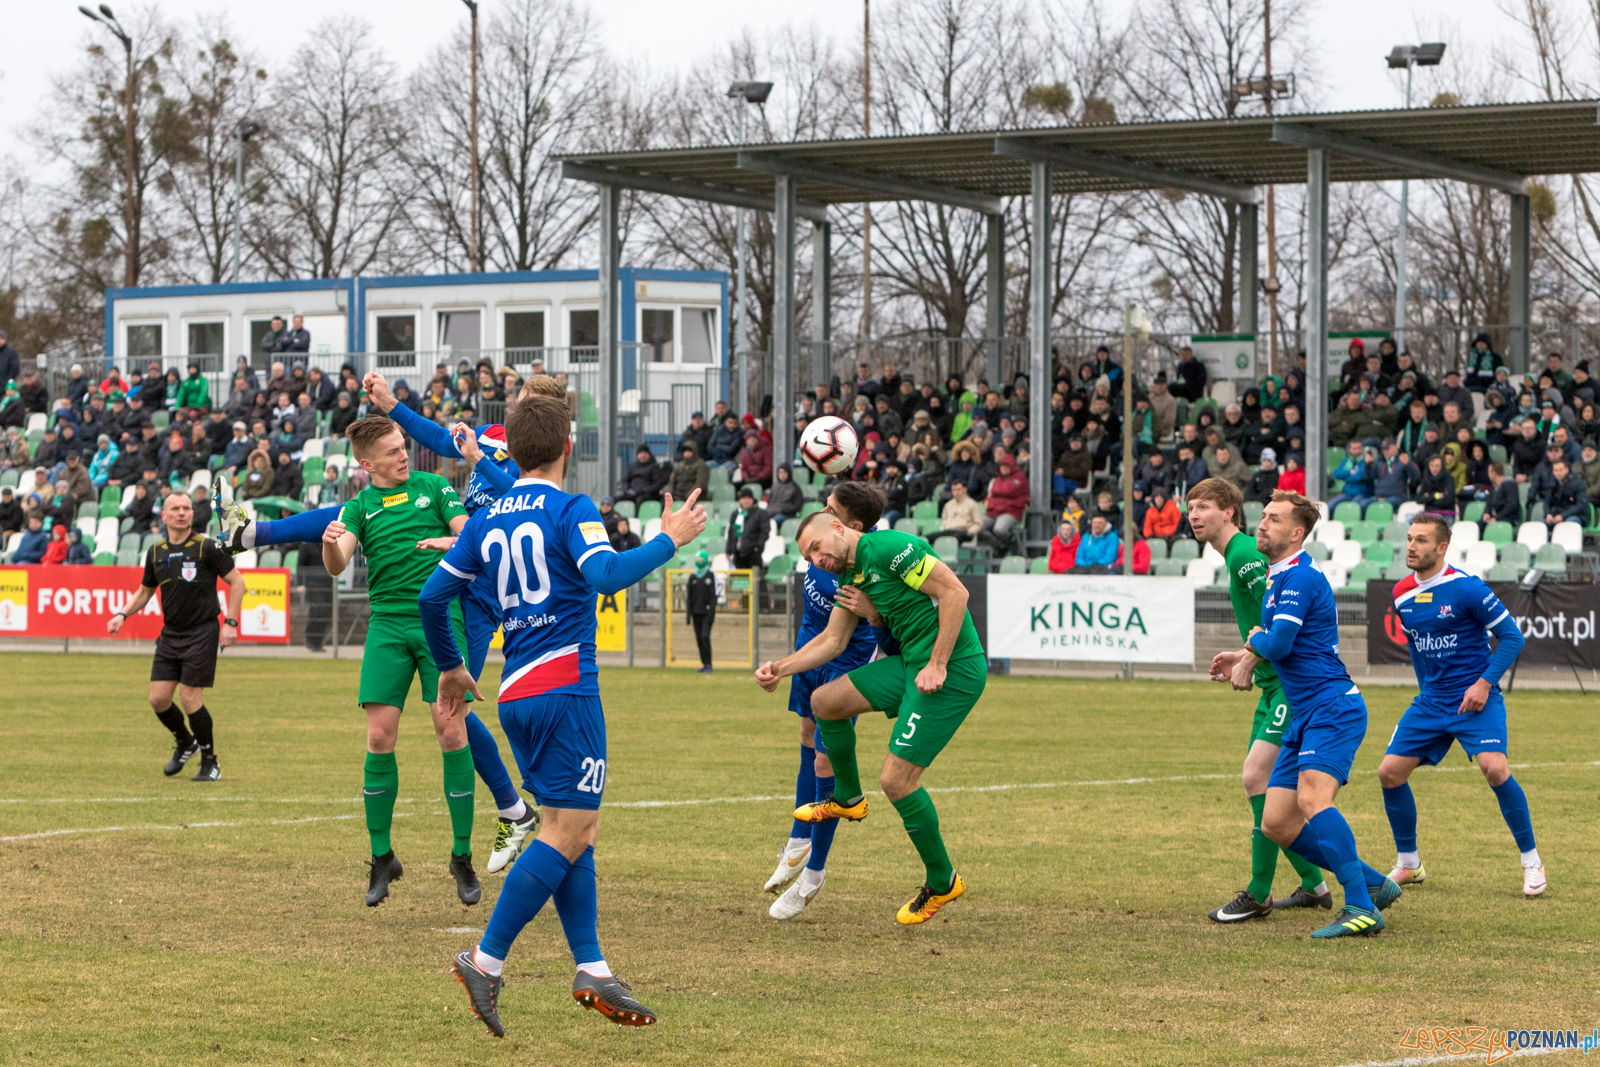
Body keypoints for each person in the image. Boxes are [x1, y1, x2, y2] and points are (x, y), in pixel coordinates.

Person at [425, 394, 706, 1036]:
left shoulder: (486, 517)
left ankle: (592, 965)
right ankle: (485, 960)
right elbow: (605, 575)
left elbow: (433, 596)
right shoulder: (572, 507)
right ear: (568, 448)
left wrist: (451, 666)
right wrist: (669, 539)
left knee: (572, 828)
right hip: (566, 689)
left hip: (516, 691)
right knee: (568, 830)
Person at [757, 507, 987, 927]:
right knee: (825, 702)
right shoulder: (850, 576)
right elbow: (832, 640)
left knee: (897, 781)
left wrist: (938, 663)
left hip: (951, 669)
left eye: (816, 548)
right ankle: (848, 798)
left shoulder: (890, 549)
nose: (817, 560)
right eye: (808, 558)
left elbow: (956, 593)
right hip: (910, 665)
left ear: (839, 527)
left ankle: (943, 881)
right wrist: (780, 668)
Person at [1208, 492, 1402, 939]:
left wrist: (1255, 643)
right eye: (1263, 516)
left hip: (1332, 707)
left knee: (1314, 801)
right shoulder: (1279, 576)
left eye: (1274, 519)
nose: (1262, 524)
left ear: (1297, 533)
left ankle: (1362, 906)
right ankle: (1374, 883)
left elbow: (1278, 643)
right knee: (1277, 821)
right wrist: (1247, 651)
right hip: (1304, 712)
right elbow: (1275, 641)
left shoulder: (1300, 577)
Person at [319, 415, 479, 908]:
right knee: (378, 737)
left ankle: (461, 855)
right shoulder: (359, 506)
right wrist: (329, 545)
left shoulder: (434, 487)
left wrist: (453, 542)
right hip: (386, 624)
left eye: (403, 446)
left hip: (440, 620)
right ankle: (381, 857)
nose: (404, 455)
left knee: (450, 731)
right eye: (392, 451)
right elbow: (338, 563)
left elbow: (470, 534)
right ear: (367, 465)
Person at [1186, 479, 1330, 922]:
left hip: (1288, 685)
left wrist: (1250, 658)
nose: (1194, 515)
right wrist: (1243, 654)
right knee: (1261, 786)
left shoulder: (1247, 557)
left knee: (1257, 777)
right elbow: (1265, 625)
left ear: (1229, 512)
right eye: (1191, 507)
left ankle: (1259, 893)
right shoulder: (1239, 556)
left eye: (1204, 507)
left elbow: (1282, 626)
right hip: (1272, 687)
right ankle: (1314, 885)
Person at [1377, 515, 1541, 896]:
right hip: (1431, 702)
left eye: (1421, 540)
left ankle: (1531, 862)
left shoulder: (1467, 588)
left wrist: (1484, 684)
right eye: (1409, 538)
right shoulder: (1401, 593)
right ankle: (1409, 864)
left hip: (1476, 699)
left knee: (1495, 769)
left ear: (1442, 547)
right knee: (1389, 773)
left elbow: (1512, 638)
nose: (1411, 546)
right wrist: (1427, 691)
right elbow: (1417, 648)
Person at [766, 482, 892, 921]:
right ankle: (798, 840)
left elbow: (838, 640)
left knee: (825, 760)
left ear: (850, 526)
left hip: (844, 659)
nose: (825, 510)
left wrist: (874, 613)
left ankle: (813, 872)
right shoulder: (820, 543)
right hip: (809, 644)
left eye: (832, 509)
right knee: (805, 734)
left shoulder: (860, 565)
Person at [105, 492, 246, 782]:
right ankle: (186, 742)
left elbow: (238, 582)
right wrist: (122, 614)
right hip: (170, 633)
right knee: (158, 699)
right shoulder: (155, 551)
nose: (181, 513)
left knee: (189, 698)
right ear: (164, 516)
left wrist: (230, 623)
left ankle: (210, 762)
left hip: (202, 632)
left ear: (192, 514)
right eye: (175, 508)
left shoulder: (207, 547)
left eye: (186, 508)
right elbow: (145, 591)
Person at [686, 550, 718, 674]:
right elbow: (689, 597)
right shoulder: (692, 577)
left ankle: (709, 663)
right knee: (699, 638)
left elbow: (714, 596)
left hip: (707, 613)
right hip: (696, 613)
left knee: (705, 637)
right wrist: (688, 614)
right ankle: (704, 663)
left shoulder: (710, 575)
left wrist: (712, 613)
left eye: (701, 560)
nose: (699, 562)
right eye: (698, 560)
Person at [725, 486, 771, 570]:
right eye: (744, 498)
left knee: (754, 577)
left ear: (752, 499)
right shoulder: (735, 514)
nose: (746, 501)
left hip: (753, 554)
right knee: (739, 577)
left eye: (749, 498)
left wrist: (757, 547)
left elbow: (765, 531)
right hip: (738, 554)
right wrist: (729, 550)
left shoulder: (760, 513)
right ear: (740, 500)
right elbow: (731, 533)